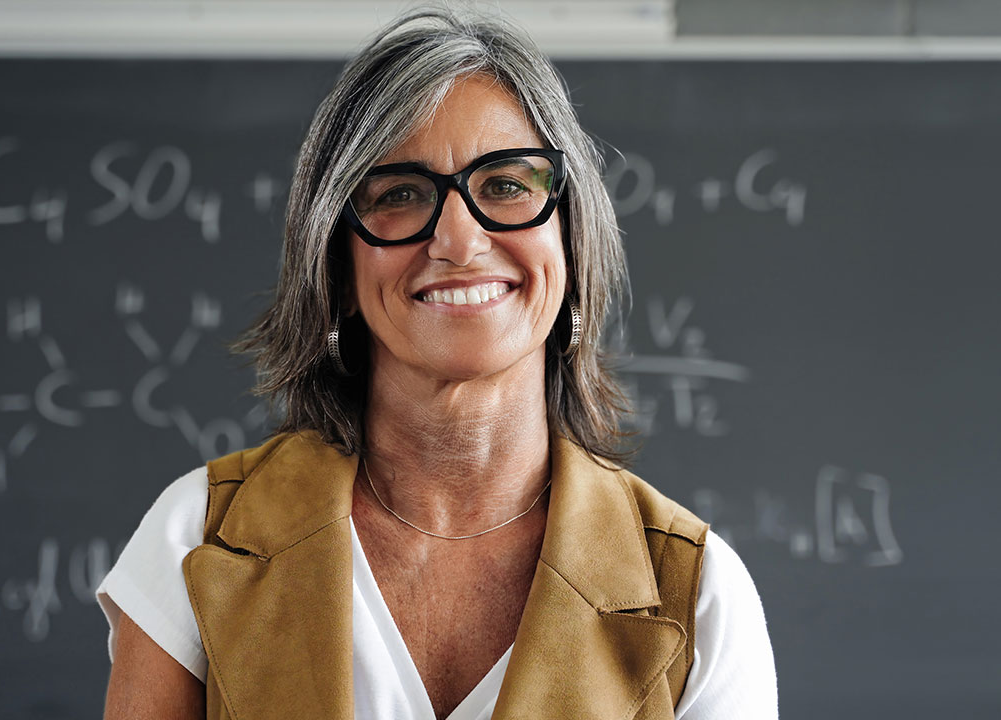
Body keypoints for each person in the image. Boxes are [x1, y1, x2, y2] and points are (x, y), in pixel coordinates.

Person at [97, 8, 777, 720]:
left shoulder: (697, 594)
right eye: (400, 194)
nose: (458, 238)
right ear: (338, 265)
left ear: (571, 240)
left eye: (507, 185)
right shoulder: (196, 541)